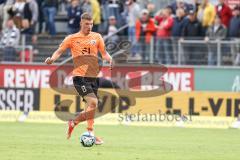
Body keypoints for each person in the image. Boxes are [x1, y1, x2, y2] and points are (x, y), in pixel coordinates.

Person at [44, 13, 113, 145]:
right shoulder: (72, 38)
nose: (89, 26)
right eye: (87, 24)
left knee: (90, 107)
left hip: (94, 77)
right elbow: (59, 51)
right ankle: (87, 131)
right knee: (93, 102)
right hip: (80, 77)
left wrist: (110, 60)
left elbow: (104, 54)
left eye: (91, 24)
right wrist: (52, 59)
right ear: (81, 23)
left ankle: (79, 126)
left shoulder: (97, 37)